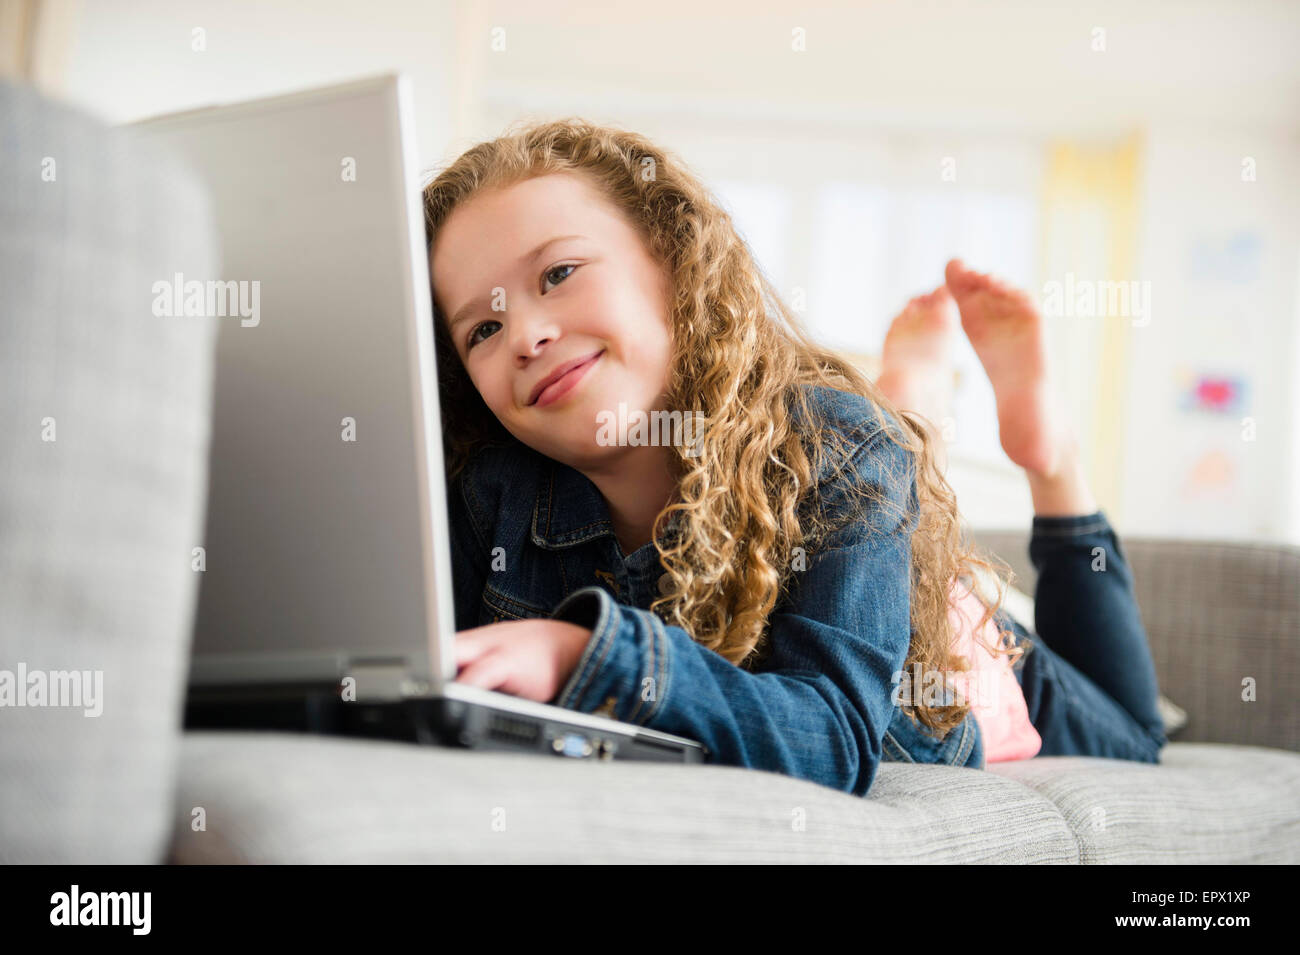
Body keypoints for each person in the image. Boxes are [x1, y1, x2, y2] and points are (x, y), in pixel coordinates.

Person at [422, 119, 1167, 798]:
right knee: (885, 454)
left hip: (944, 649)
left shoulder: (837, 448)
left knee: (1136, 735)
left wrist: (587, 652)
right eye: (481, 329)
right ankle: (917, 414)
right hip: (877, 515)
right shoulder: (492, 497)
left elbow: (833, 738)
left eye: (558, 274)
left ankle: (1046, 455)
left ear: (673, 261)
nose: (524, 335)